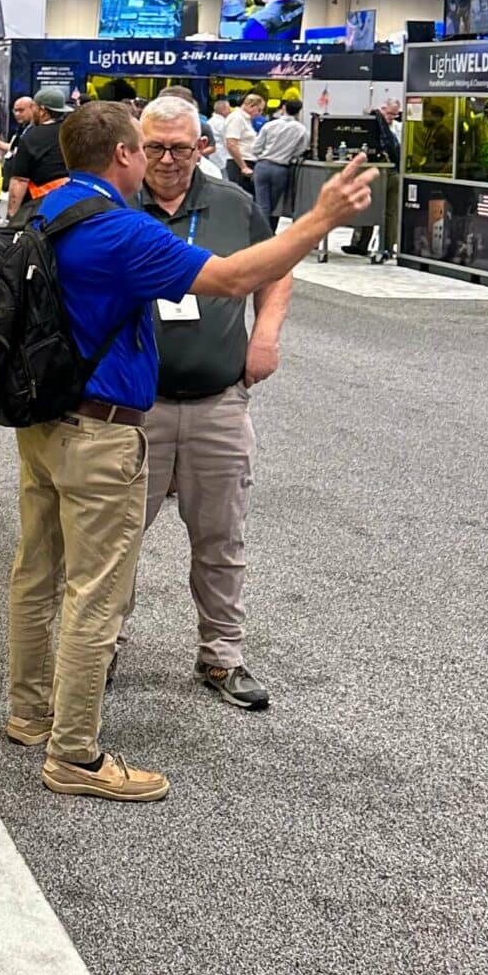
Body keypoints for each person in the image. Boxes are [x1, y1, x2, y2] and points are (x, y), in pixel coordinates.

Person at [4, 102, 371, 802]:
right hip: (102, 432)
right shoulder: (119, 228)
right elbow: (231, 279)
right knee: (96, 593)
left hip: (45, 424)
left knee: (37, 573)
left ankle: (28, 713)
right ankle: (74, 754)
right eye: (146, 148)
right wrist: (320, 219)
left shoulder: (46, 210)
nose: (158, 161)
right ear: (123, 153)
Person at [132, 91, 291, 713]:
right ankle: (101, 648)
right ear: (135, 147)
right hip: (132, 408)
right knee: (114, 541)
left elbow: (276, 270)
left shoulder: (232, 204)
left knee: (221, 540)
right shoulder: (116, 204)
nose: (168, 160)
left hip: (218, 402)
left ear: (202, 145)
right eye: (154, 148)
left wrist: (266, 334)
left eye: (180, 147)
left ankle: (221, 654)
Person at [3, 84, 70, 219]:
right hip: (70, 205)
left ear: (42, 111)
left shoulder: (31, 137)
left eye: (33, 106)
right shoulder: (71, 132)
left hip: (39, 209)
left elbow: (19, 181)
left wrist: (12, 216)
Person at [249, 92, 309, 227]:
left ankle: (262, 233)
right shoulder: (301, 129)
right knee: (274, 205)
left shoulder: (270, 125)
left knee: (262, 203)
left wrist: (262, 154)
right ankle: (268, 231)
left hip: (263, 165)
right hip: (281, 169)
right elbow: (302, 149)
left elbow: (256, 148)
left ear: (284, 108)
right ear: (298, 112)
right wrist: (290, 155)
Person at [218, 91, 264, 192]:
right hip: (239, 164)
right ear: (251, 106)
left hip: (245, 162)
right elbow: (231, 144)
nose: (260, 114)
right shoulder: (237, 118)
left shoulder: (245, 119)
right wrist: (243, 167)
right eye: (259, 110)